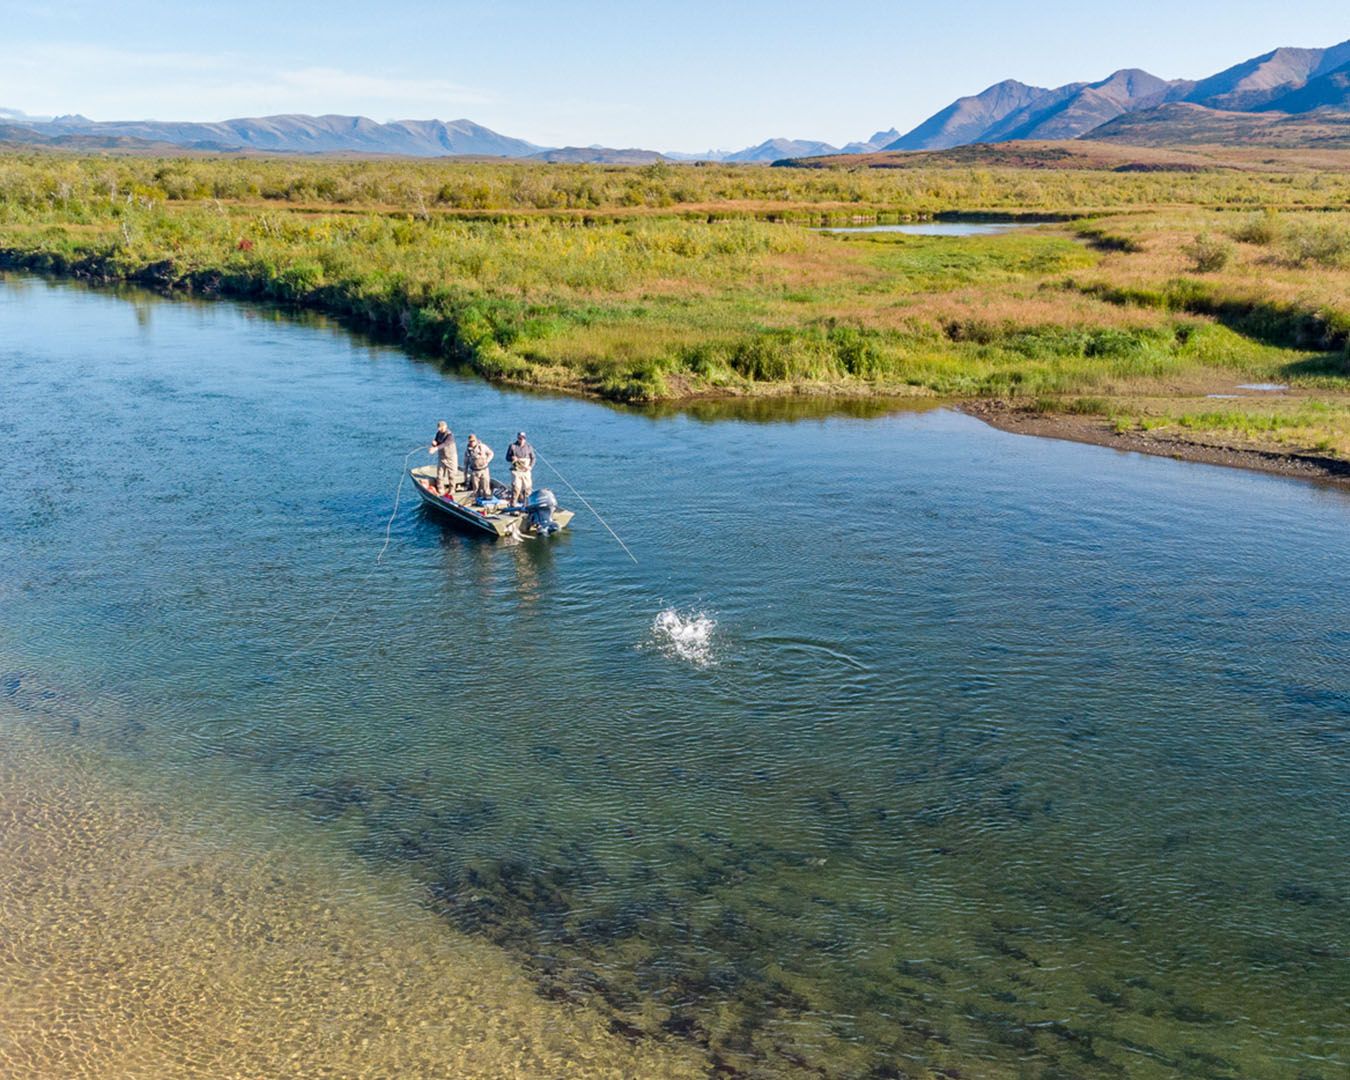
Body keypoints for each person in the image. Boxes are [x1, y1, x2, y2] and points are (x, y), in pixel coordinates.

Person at [427, 421, 458, 495]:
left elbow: (445, 444)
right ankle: (441, 490)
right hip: (442, 457)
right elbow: (437, 441)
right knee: (440, 475)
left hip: (451, 458)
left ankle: (452, 489)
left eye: (441, 427)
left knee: (452, 475)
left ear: (445, 426)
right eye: (439, 427)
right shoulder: (438, 433)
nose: (440, 429)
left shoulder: (450, 436)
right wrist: (433, 444)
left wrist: (436, 448)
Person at [505, 431, 536, 506]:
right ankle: (513, 506)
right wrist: (512, 458)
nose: (521, 440)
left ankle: (527, 505)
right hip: (516, 471)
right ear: (517, 438)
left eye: (523, 438)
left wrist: (530, 467)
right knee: (516, 489)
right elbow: (507, 458)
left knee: (527, 489)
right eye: (519, 438)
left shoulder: (529, 447)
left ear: (525, 439)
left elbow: (533, 458)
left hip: (526, 471)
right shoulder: (512, 446)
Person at [463, 433, 494, 499]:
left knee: (486, 486)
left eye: (473, 441)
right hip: (474, 471)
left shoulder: (482, 447)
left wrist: (487, 460)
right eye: (470, 441)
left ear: (476, 440)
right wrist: (465, 474)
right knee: (476, 488)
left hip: (484, 470)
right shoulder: (468, 450)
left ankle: (487, 499)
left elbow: (491, 453)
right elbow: (466, 462)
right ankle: (477, 499)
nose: (472, 443)